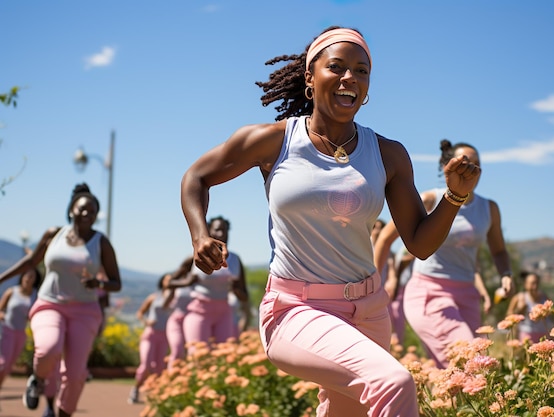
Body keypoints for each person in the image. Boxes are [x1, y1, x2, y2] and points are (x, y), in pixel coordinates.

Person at [180, 26, 482, 416]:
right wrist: (199, 235)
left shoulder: (388, 154)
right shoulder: (272, 142)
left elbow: (420, 244)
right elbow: (197, 177)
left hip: (369, 311)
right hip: (294, 310)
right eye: (336, 67)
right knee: (393, 383)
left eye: (361, 70)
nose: (349, 78)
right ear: (310, 76)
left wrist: (454, 196)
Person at [374, 139, 514, 369]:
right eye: (466, 164)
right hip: (429, 293)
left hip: (467, 296)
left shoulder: (489, 209)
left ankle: (426, 405)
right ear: (447, 166)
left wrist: (506, 274)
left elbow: (498, 250)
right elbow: (386, 238)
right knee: (473, 363)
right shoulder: (431, 199)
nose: (472, 170)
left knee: (454, 373)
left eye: (477, 165)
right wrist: (375, 282)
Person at [0, 183, 122, 417]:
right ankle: (37, 379)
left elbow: (116, 283)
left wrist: (98, 284)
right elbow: (30, 262)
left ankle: (63, 412)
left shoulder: (101, 243)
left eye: (93, 211)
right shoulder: (54, 234)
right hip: (50, 304)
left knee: (76, 375)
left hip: (85, 311)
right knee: (47, 349)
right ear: (71, 210)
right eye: (83, 208)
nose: (88, 213)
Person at [167, 216, 250, 354]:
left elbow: (244, 296)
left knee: (224, 356)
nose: (222, 234)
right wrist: (187, 282)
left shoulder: (235, 259)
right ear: (209, 232)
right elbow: (170, 283)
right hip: (199, 311)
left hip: (224, 313)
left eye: (225, 230)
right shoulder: (196, 257)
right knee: (198, 355)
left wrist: (235, 288)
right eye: (217, 230)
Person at [128, 274, 173, 404]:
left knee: (159, 367)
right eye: (167, 279)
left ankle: (156, 394)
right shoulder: (154, 297)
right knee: (146, 364)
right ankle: (136, 389)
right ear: (162, 282)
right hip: (150, 335)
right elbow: (140, 312)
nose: (169, 282)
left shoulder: (174, 299)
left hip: (165, 336)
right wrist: (146, 322)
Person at [0, 268, 42, 399]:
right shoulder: (12, 292)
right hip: (6, 330)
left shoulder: (36, 295)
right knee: (2, 363)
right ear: (22, 276)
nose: (28, 279)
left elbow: (36, 314)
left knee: (8, 366)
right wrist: (2, 315)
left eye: (32, 277)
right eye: (27, 275)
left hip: (20, 334)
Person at [164, 256, 194, 368]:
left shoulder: (201, 281)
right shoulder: (178, 283)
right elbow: (166, 302)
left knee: (192, 353)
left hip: (192, 320)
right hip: (177, 320)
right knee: (177, 350)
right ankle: (171, 379)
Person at [506, 271, 551, 343]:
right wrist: (519, 310)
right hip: (526, 334)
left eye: (537, 283)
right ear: (525, 284)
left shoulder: (544, 296)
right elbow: (509, 315)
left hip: (544, 334)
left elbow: (552, 313)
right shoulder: (519, 298)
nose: (535, 286)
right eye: (532, 283)